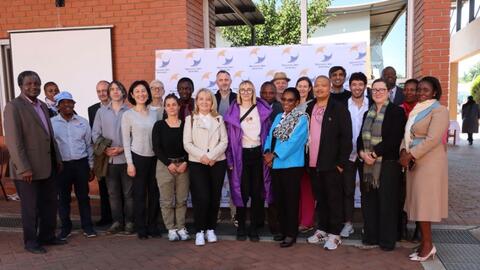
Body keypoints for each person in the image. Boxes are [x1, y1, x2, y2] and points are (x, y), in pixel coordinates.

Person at [4, 71, 64, 254]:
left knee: (49, 203)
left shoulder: (43, 106)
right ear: (21, 86)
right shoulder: (13, 107)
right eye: (29, 84)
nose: (34, 87)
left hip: (48, 165)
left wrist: (58, 159)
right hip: (28, 169)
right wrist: (24, 168)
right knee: (31, 208)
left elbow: (49, 136)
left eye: (37, 83)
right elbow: (14, 141)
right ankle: (31, 242)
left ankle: (47, 236)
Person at [400, 76, 449, 261]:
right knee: (419, 203)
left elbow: (432, 139)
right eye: (419, 89)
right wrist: (403, 151)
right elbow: (407, 135)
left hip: (429, 163)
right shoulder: (416, 110)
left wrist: (410, 155)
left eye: (425, 90)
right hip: (414, 161)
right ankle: (425, 244)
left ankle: (428, 245)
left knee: (425, 204)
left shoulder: (439, 110)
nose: (420, 93)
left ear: (434, 92)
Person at [357, 79, 406, 251]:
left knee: (387, 203)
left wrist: (374, 153)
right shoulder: (367, 113)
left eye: (381, 89)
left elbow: (394, 139)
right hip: (368, 166)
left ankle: (386, 241)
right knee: (370, 203)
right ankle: (371, 237)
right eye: (375, 90)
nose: (378, 93)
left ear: (388, 92)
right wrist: (362, 153)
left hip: (388, 165)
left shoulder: (396, 112)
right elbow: (360, 139)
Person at [306, 76, 352, 251]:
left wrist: (340, 164)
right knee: (321, 199)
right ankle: (322, 229)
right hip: (312, 163)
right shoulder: (309, 107)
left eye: (323, 85)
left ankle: (335, 234)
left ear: (330, 87)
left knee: (334, 199)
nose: (319, 89)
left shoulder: (338, 109)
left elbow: (346, 138)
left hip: (332, 164)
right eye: (316, 86)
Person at [224, 80, 272, 242]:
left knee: (258, 193)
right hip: (240, 156)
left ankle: (254, 228)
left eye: (249, 89)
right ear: (239, 92)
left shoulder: (262, 109)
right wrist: (229, 159)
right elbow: (229, 140)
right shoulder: (233, 110)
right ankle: (242, 227)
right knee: (241, 193)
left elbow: (269, 134)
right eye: (243, 89)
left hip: (258, 155)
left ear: (253, 91)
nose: (245, 92)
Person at [264, 87, 308, 248]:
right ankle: (282, 230)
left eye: (290, 100)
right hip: (275, 165)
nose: (286, 103)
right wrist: (267, 152)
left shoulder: (301, 118)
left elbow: (294, 142)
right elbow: (270, 136)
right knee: (280, 200)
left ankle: (291, 234)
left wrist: (273, 155)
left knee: (291, 201)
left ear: (297, 102)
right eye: (284, 99)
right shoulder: (277, 117)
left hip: (291, 165)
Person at [183, 88, 228, 246]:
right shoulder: (190, 119)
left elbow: (224, 141)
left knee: (215, 197)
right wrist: (203, 156)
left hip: (217, 162)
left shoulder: (219, 119)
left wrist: (212, 156)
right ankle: (200, 231)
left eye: (207, 99)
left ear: (212, 102)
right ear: (197, 101)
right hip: (197, 163)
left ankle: (210, 229)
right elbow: (187, 143)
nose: (204, 102)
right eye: (201, 99)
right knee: (201, 197)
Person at [51, 92, 97, 240]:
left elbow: (89, 145)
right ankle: (66, 228)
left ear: (74, 104)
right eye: (63, 103)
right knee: (63, 198)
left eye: (70, 102)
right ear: (58, 106)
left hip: (81, 164)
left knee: (83, 197)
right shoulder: (52, 124)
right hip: (62, 166)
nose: (67, 105)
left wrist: (91, 166)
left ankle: (87, 226)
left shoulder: (83, 122)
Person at [92, 80, 134, 235]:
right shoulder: (101, 112)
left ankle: (129, 222)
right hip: (108, 161)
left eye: (118, 89)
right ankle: (117, 222)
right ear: (109, 93)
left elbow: (135, 135)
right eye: (112, 89)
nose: (115, 91)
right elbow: (95, 134)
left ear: (123, 92)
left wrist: (123, 148)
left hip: (126, 160)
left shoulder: (130, 112)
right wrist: (105, 149)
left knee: (129, 194)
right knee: (113, 193)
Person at [121, 80, 161, 239]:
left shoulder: (154, 113)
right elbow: (125, 140)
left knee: (154, 194)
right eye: (137, 91)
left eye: (143, 91)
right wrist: (129, 163)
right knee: (139, 195)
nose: (141, 94)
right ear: (132, 94)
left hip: (154, 158)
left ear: (148, 93)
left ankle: (153, 225)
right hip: (137, 157)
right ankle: (141, 227)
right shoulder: (128, 115)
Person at [152, 94, 191, 242]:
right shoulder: (159, 126)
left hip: (183, 166)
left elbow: (190, 145)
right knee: (167, 200)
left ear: (179, 106)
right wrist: (168, 164)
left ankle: (181, 227)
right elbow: (156, 147)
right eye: (168, 105)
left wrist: (185, 162)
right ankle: (171, 228)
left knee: (181, 199)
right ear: (164, 108)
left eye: (174, 104)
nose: (171, 107)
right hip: (164, 166)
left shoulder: (186, 124)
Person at [340, 72, 370, 238]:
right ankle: (348, 224)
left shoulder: (372, 104)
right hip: (348, 155)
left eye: (360, 84)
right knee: (348, 190)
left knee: (367, 191)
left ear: (365, 86)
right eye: (354, 84)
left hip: (367, 154)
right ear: (349, 86)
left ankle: (368, 224)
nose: (357, 87)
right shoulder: (343, 105)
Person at [259, 81, 283, 239]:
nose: (268, 96)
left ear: (276, 94)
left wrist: (271, 155)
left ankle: (275, 226)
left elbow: (281, 135)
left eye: (271, 93)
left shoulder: (280, 108)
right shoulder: (255, 107)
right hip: (256, 154)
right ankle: (259, 221)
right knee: (258, 190)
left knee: (274, 192)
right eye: (265, 93)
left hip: (274, 157)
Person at [88, 80, 113, 226]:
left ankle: (120, 216)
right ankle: (106, 217)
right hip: (101, 154)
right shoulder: (92, 109)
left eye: (104, 90)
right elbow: (93, 133)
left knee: (118, 187)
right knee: (103, 186)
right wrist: (103, 148)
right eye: (99, 91)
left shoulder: (119, 107)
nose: (102, 94)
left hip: (116, 151)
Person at [399, 78, 419, 241]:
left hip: (420, 158)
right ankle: (402, 227)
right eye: (406, 89)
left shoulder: (423, 111)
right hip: (402, 157)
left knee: (419, 195)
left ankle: (420, 228)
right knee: (402, 194)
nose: (409, 92)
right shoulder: (398, 110)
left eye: (413, 89)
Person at [294, 77, 315, 233]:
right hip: (293, 152)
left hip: (307, 151)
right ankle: (296, 218)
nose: (302, 88)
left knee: (307, 188)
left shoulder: (313, 105)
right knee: (296, 188)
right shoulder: (292, 105)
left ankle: (307, 221)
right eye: (299, 86)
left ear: (309, 89)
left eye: (305, 86)